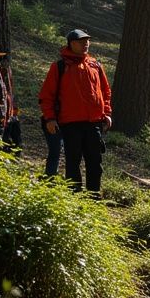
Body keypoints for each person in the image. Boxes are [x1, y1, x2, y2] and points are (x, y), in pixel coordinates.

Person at [38, 29, 112, 194]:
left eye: (87, 41)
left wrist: (106, 113)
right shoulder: (59, 66)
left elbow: (106, 92)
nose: (86, 44)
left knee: (95, 162)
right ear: (71, 43)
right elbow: (46, 96)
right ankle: (74, 197)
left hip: (94, 123)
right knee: (73, 163)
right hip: (70, 123)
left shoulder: (96, 65)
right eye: (81, 41)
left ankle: (94, 198)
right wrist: (50, 118)